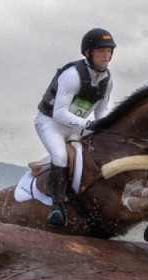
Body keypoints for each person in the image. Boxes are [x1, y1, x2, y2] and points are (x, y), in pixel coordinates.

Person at [35, 28, 116, 226]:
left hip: (76, 126)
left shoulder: (107, 80)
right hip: (50, 123)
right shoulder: (72, 75)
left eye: (109, 51)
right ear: (88, 52)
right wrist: (90, 125)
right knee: (60, 156)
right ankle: (56, 207)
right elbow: (59, 113)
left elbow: (102, 110)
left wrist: (105, 126)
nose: (106, 56)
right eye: (101, 51)